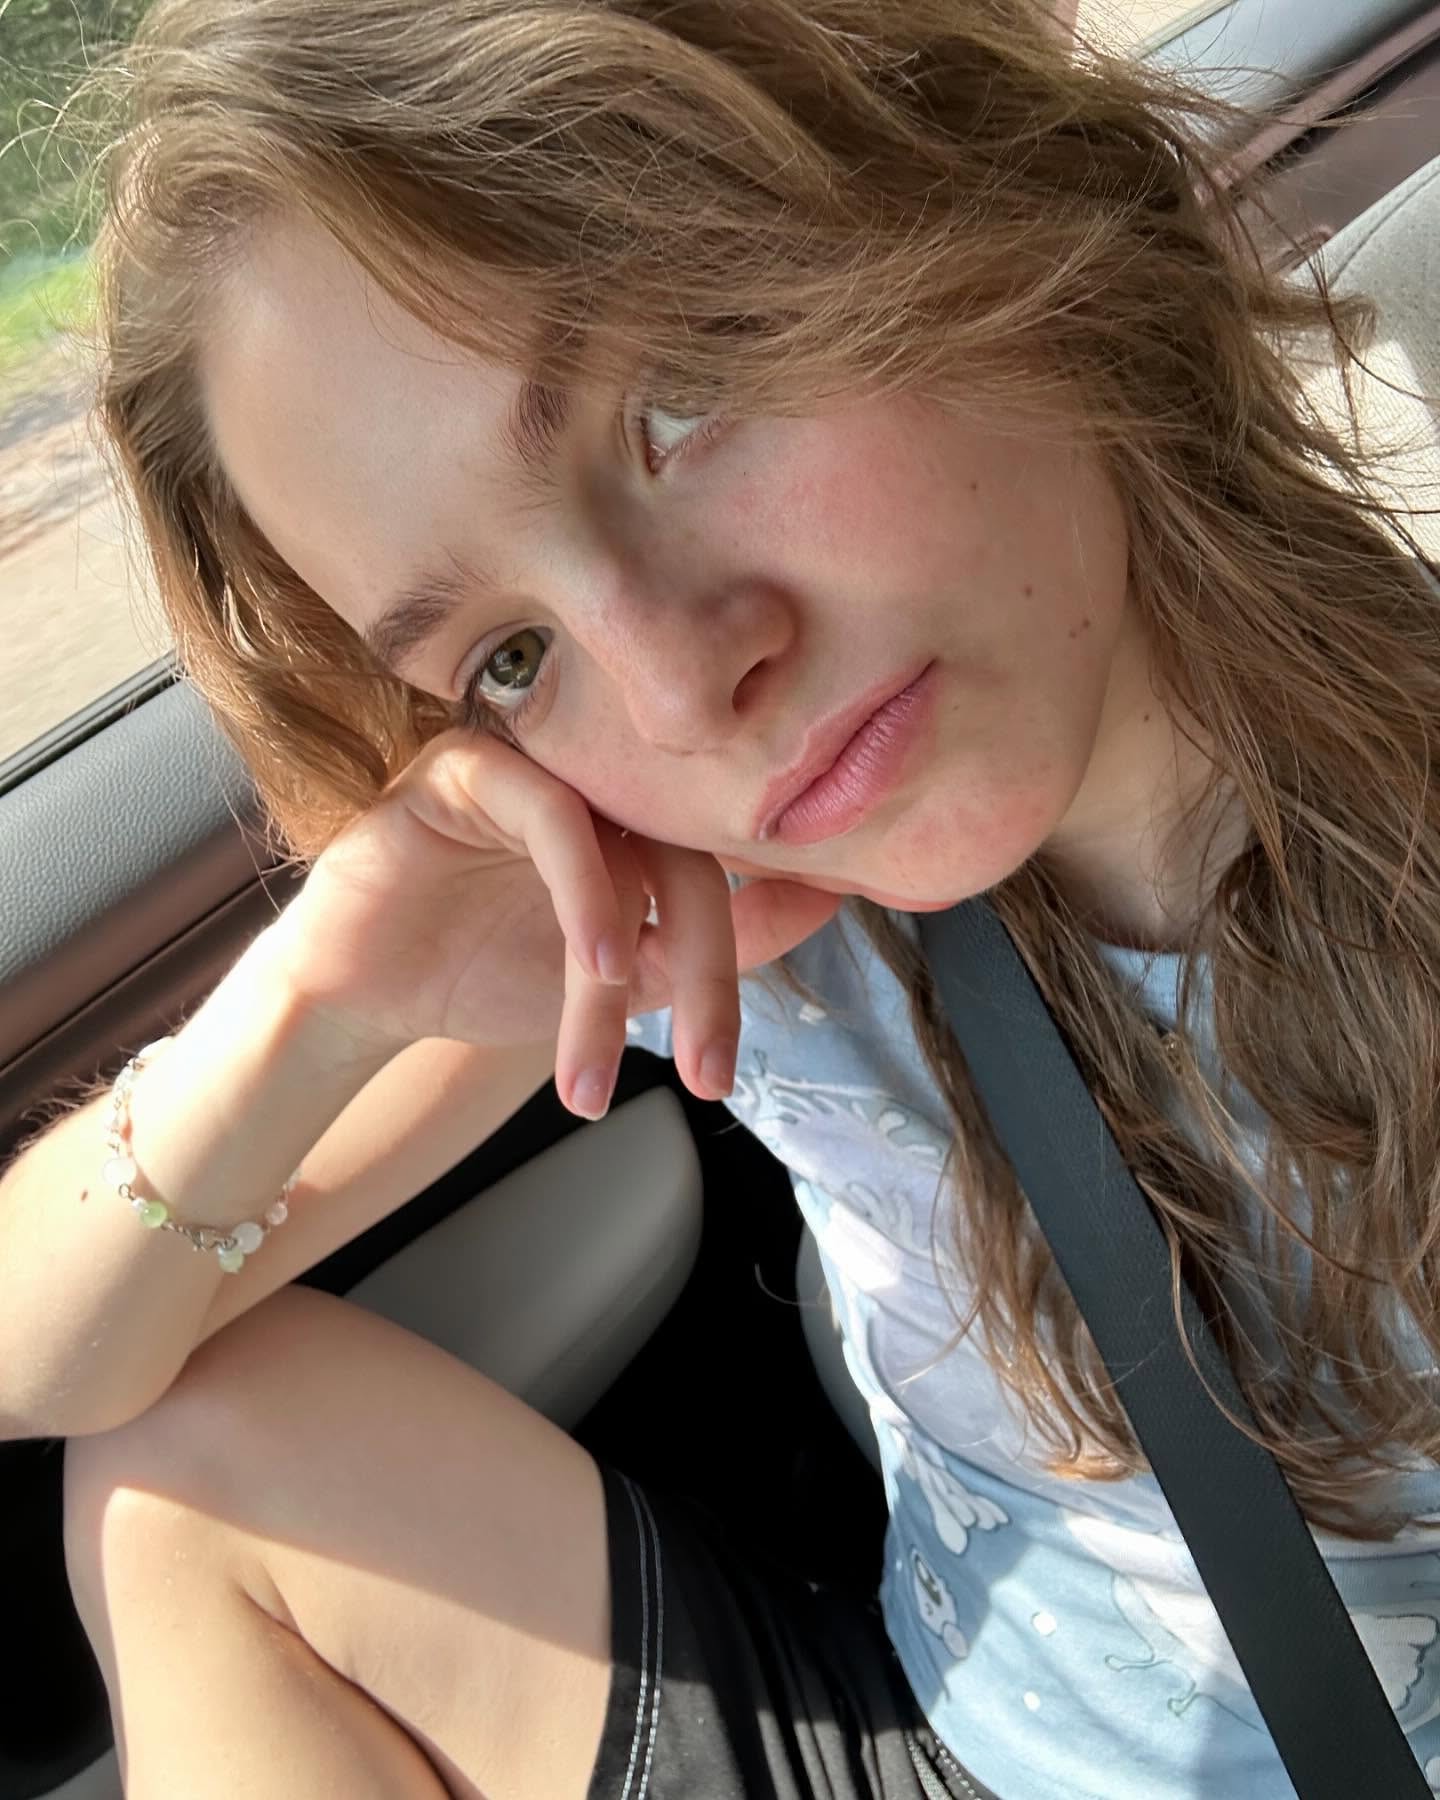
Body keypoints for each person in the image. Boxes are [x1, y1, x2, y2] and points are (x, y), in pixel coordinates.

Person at [3, 0, 1439, 1794]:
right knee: (172, 1472)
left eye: (680, 399)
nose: (679, 695)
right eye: (512, 657)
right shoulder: (726, 896)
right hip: (955, 1723)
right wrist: (315, 1012)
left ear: (951, 173)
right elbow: (39, 1355)